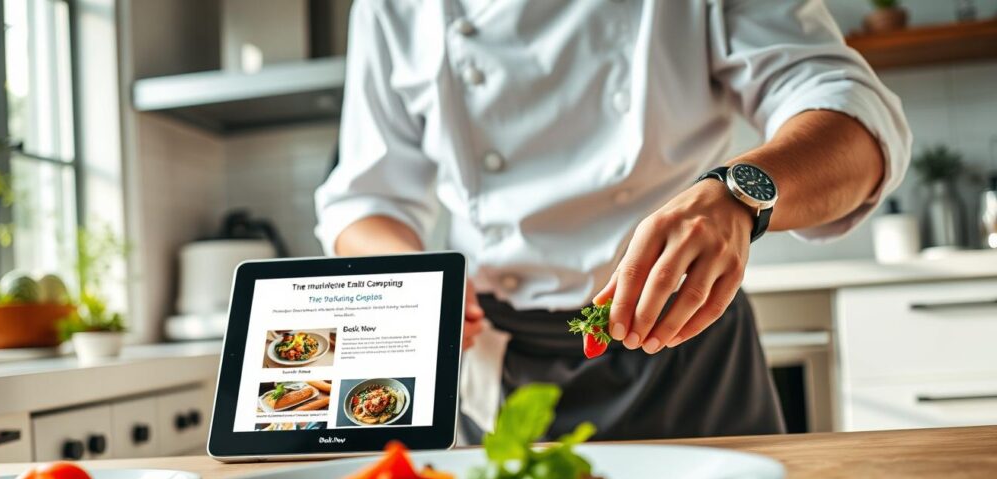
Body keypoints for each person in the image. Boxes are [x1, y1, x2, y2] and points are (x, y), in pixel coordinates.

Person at [314, 0, 911, 441]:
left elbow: (855, 120)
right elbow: (365, 201)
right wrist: (421, 278)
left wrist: (738, 195)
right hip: (496, 370)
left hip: (687, 355)